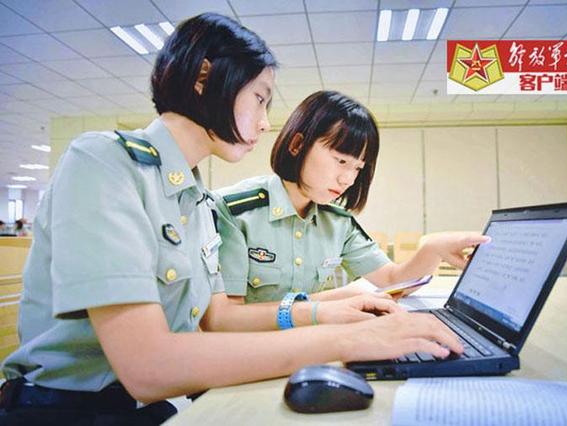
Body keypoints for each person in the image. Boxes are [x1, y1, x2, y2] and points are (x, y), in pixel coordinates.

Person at [0, 13, 462, 425]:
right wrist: (350, 340)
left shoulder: (196, 200)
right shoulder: (104, 162)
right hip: (67, 410)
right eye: (260, 99)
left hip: (155, 406)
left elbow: (219, 319)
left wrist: (328, 314)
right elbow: (147, 365)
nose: (265, 123)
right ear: (205, 78)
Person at [214, 90, 489, 304]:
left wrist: (432, 249)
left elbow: (393, 281)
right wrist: (329, 301)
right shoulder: (233, 211)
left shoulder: (337, 224)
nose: (348, 179)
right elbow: (227, 319)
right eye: (341, 161)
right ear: (298, 145)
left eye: (358, 168)